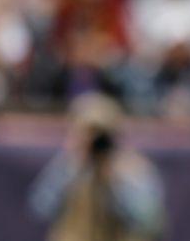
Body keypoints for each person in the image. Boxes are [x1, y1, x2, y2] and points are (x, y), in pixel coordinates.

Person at [29, 92, 165, 241]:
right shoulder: (69, 166)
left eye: (100, 134)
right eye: (88, 133)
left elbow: (149, 222)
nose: (95, 142)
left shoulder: (133, 169)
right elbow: (40, 209)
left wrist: (117, 182)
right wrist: (70, 166)